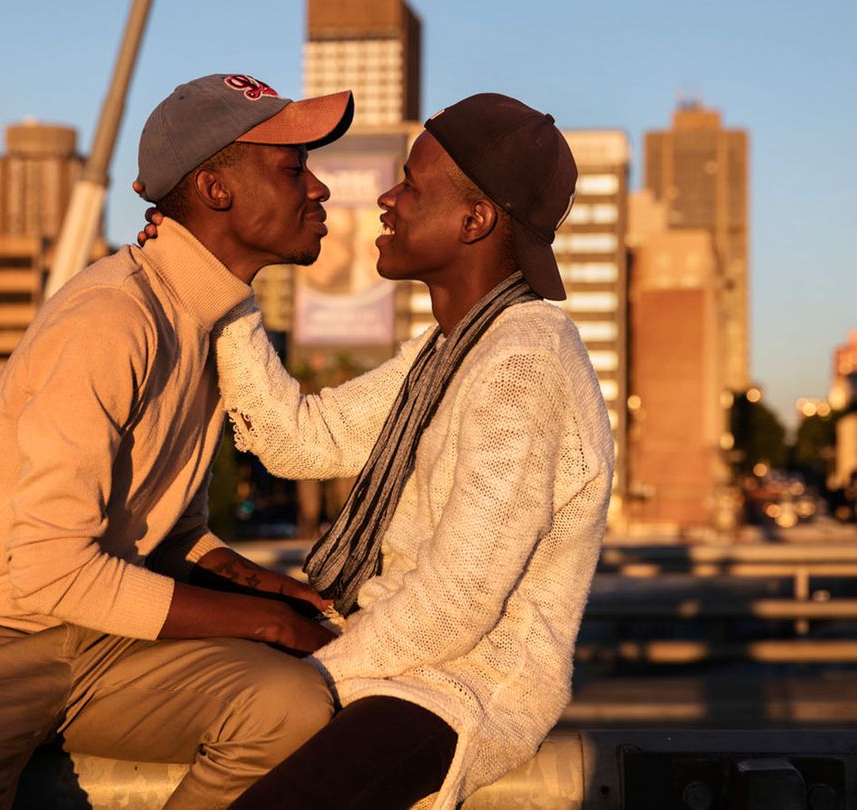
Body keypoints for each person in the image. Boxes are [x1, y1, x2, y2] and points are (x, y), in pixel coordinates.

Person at [0, 73, 355, 810]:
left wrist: (268, 587)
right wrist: (266, 622)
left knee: (292, 706)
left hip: (107, 643)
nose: (318, 188)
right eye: (294, 167)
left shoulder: (206, 325)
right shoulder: (113, 318)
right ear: (216, 190)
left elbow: (166, 533)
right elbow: (50, 569)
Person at [144, 93, 614, 809]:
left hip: (456, 689)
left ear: (475, 220)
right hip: (383, 658)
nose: (388, 200)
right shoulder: (453, 351)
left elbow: (456, 603)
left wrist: (314, 672)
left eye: (413, 185)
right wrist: (227, 282)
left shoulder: (526, 363)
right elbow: (301, 440)